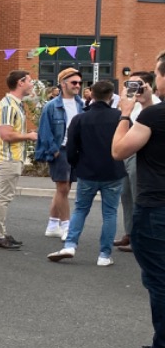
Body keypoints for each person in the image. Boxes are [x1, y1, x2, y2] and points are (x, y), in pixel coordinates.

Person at [111, 55, 165, 348]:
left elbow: (119, 150)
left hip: (156, 205)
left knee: (158, 278)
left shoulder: (154, 116)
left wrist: (126, 115)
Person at [47, 80, 125, 265]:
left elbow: (72, 147)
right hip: (112, 171)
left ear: (92, 95)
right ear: (110, 96)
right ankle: (104, 255)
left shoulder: (80, 118)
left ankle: (70, 244)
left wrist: (76, 164)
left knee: (80, 209)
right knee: (110, 213)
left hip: (87, 171)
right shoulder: (119, 117)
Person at [0, 69, 38, 249]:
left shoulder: (14, 104)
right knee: (3, 197)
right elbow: (6, 134)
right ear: (21, 82)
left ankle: (0, 232)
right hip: (9, 158)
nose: (32, 84)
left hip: (13, 158)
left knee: (5, 197)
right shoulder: (9, 105)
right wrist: (30, 136)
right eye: (30, 81)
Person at [35, 67, 86, 240]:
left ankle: (52, 224)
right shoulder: (51, 106)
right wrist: (54, 151)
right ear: (63, 84)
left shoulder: (82, 105)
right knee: (63, 188)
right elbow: (44, 130)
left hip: (76, 151)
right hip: (61, 150)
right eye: (74, 82)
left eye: (79, 82)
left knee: (64, 189)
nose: (78, 85)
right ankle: (66, 226)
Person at [116, 71, 160, 252]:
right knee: (125, 194)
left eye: (137, 84)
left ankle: (140, 237)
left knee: (138, 194)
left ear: (148, 86)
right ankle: (130, 232)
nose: (132, 88)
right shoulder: (127, 103)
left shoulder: (154, 104)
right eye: (129, 84)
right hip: (126, 149)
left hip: (140, 153)